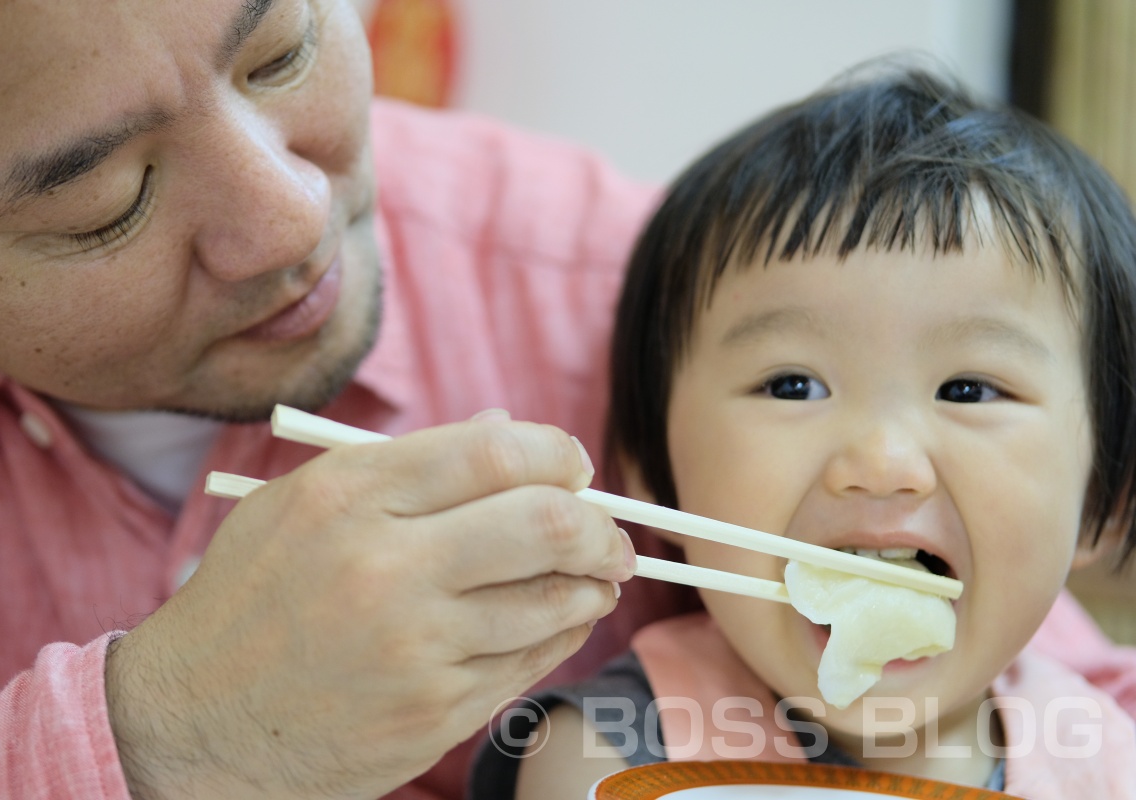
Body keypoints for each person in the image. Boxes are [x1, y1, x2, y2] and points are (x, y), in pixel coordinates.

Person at [0, 1, 715, 798]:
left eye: (282, 57)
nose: (292, 220)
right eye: (107, 203)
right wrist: (165, 738)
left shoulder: (664, 301)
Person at [473, 67, 1136, 798]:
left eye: (969, 390)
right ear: (655, 478)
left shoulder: (1104, 756)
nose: (882, 463)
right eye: (793, 385)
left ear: (1102, 500)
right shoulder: (609, 751)